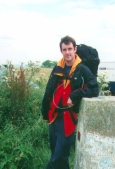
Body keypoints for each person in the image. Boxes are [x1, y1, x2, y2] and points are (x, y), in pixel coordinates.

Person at [41, 35, 99, 169]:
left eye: (70, 49)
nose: (67, 52)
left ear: (75, 49)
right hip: (54, 117)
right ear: (61, 51)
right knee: (57, 154)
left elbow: (94, 89)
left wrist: (75, 95)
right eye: (64, 49)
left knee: (57, 157)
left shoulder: (82, 69)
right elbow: (49, 90)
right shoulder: (58, 68)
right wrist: (45, 112)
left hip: (68, 119)